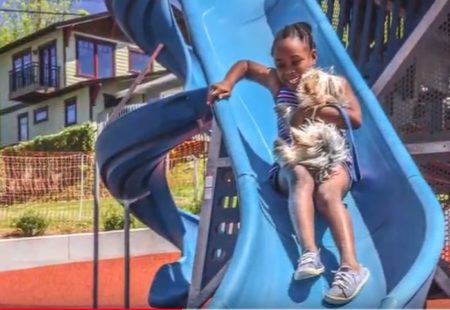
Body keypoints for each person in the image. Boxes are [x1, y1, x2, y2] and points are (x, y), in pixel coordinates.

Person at [207, 22, 369, 304]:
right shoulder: (276, 82)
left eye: (297, 62)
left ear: (313, 57)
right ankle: (309, 253)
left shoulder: (334, 85)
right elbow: (245, 65)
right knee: (299, 174)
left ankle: (351, 266)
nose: (290, 71)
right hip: (293, 160)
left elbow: (354, 118)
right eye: (281, 64)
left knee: (328, 193)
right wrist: (227, 82)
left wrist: (315, 110)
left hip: (332, 159)